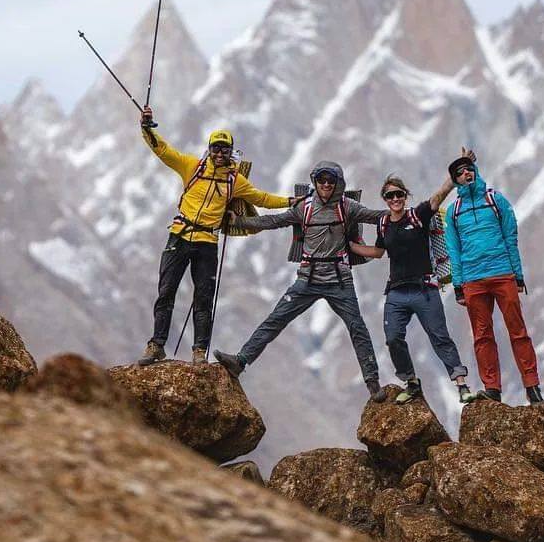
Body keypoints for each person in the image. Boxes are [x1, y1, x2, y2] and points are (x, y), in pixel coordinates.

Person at [214, 161, 390, 402]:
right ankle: (240, 362)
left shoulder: (348, 207)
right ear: (315, 182)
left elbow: (377, 217)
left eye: (331, 181)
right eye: (322, 180)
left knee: (357, 328)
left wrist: (410, 215)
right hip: (307, 278)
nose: (326, 185)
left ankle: (373, 384)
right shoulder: (304, 208)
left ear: (338, 183)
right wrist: (238, 222)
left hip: (339, 279)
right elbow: (272, 222)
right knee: (276, 319)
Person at [137, 106, 295, 366]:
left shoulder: (235, 181)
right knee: (166, 292)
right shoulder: (192, 166)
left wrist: (291, 201)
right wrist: (146, 127)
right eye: (215, 148)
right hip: (179, 235)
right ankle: (156, 345)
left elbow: (262, 198)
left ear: (231, 152)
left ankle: (200, 350)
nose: (219, 153)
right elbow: (163, 151)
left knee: (203, 298)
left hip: (206, 242)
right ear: (209, 149)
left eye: (224, 149)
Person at [350, 151, 477, 406]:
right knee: (393, 337)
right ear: (385, 200)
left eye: (399, 194)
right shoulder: (384, 224)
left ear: (405, 196)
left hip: (424, 288)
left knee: (439, 336)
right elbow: (378, 252)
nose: (395, 199)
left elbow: (438, 196)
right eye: (390, 196)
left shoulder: (417, 215)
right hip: (396, 292)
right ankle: (411, 382)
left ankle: (462, 385)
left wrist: (456, 174)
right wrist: (350, 247)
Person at [443, 154, 544, 404]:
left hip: (502, 274)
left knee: (518, 331)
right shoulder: (454, 212)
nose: (467, 173)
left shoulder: (495, 199)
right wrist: (458, 284)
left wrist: (517, 274)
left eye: (469, 169)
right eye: (460, 172)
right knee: (482, 336)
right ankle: (493, 388)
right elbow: (453, 250)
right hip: (473, 280)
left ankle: (532, 387)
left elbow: (511, 236)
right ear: (455, 181)